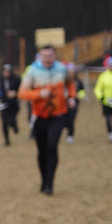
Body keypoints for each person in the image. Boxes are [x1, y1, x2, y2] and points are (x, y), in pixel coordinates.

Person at [19, 45, 74, 194]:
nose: (47, 59)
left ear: (55, 56)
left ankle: (50, 183)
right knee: (42, 151)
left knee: (52, 146)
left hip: (58, 115)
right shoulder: (33, 71)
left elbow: (71, 83)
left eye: (50, 56)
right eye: (44, 56)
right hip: (39, 116)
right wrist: (38, 94)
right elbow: (22, 93)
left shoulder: (62, 69)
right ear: (39, 56)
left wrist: (72, 97)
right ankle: (44, 180)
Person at [0, 63, 21, 146]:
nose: (6, 73)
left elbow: (22, 90)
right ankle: (6, 140)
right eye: (5, 71)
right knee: (4, 121)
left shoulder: (17, 79)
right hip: (3, 104)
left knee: (11, 120)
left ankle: (14, 126)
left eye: (8, 71)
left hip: (13, 104)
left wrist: (15, 93)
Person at [64, 62, 84, 144]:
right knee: (65, 120)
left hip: (75, 103)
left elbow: (83, 91)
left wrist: (78, 96)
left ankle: (70, 136)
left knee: (71, 120)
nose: (71, 72)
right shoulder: (63, 81)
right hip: (64, 103)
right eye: (69, 71)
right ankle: (67, 129)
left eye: (72, 70)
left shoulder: (78, 81)